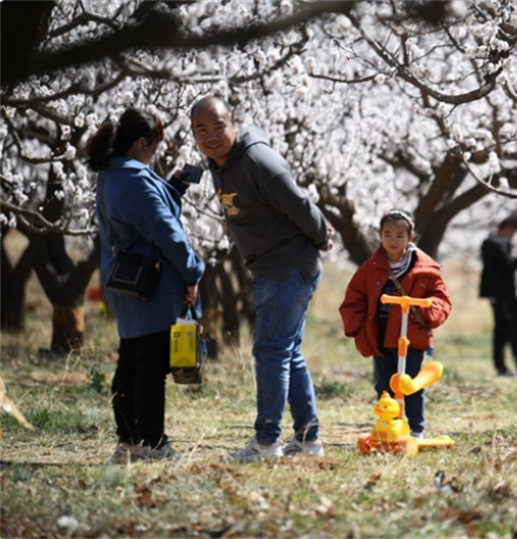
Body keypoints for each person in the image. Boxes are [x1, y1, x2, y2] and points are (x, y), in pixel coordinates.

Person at [190, 96, 334, 462]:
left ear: (234, 124)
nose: (210, 135)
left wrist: (321, 236)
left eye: (218, 126)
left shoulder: (257, 161)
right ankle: (307, 439)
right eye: (201, 129)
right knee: (287, 352)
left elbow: (298, 202)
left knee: (270, 351)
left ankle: (266, 442)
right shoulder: (218, 162)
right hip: (271, 267)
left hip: (287, 266)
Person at [86, 108, 205, 463]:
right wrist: (192, 271)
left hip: (127, 281)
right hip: (153, 285)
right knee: (150, 369)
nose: (155, 152)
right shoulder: (135, 180)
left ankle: (128, 441)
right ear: (141, 143)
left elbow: (145, 216)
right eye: (154, 145)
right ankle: (154, 444)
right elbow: (165, 231)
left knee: (132, 361)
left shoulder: (112, 174)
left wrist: (173, 186)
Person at [339, 209, 452, 438]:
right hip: (380, 335)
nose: (393, 240)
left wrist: (425, 309)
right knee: (384, 383)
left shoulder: (426, 269)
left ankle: (416, 428)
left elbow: (441, 299)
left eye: (400, 235)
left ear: (411, 237)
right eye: (387, 234)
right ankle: (388, 424)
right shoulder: (370, 268)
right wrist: (360, 327)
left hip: (412, 335)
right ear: (379, 235)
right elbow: (354, 298)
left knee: (410, 384)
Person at [479, 216, 517, 376]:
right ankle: (514, 366)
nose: (513, 235)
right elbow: (507, 268)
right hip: (503, 295)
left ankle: (504, 366)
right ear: (508, 228)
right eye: (513, 231)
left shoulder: (493, 243)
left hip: (502, 295)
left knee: (503, 330)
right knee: (510, 330)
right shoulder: (495, 244)